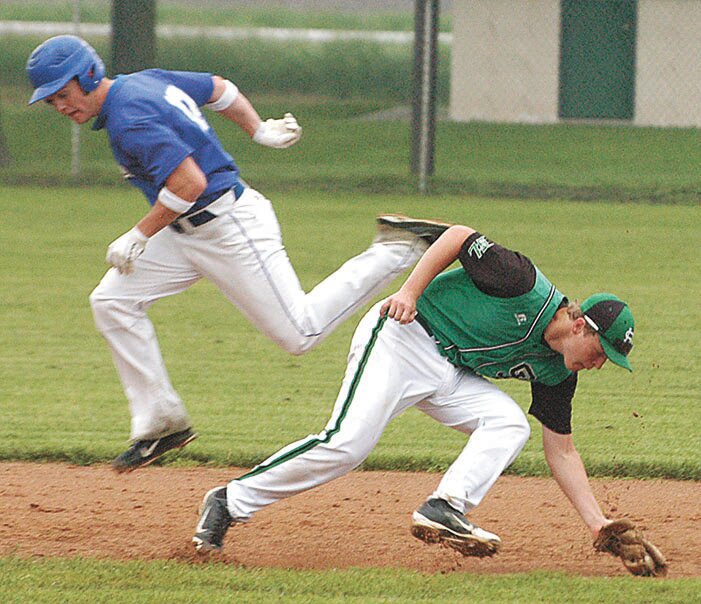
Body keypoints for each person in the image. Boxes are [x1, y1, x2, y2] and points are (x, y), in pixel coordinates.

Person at [26, 35, 446, 473]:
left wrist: (138, 233)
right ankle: (161, 422)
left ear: (88, 74)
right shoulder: (142, 83)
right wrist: (257, 128)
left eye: (62, 93)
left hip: (230, 227)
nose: (60, 106)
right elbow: (218, 88)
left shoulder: (129, 116)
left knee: (299, 333)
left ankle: (399, 247)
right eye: (51, 100)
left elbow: (189, 184)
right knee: (112, 301)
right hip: (183, 230)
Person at [192, 221, 637, 560]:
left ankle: (444, 506)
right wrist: (408, 291)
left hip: (450, 371)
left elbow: (561, 451)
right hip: (403, 337)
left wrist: (598, 525)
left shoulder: (559, 371)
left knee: (507, 423)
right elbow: (459, 236)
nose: (599, 364)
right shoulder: (521, 283)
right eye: (601, 352)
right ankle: (229, 500)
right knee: (347, 444)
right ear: (580, 325)